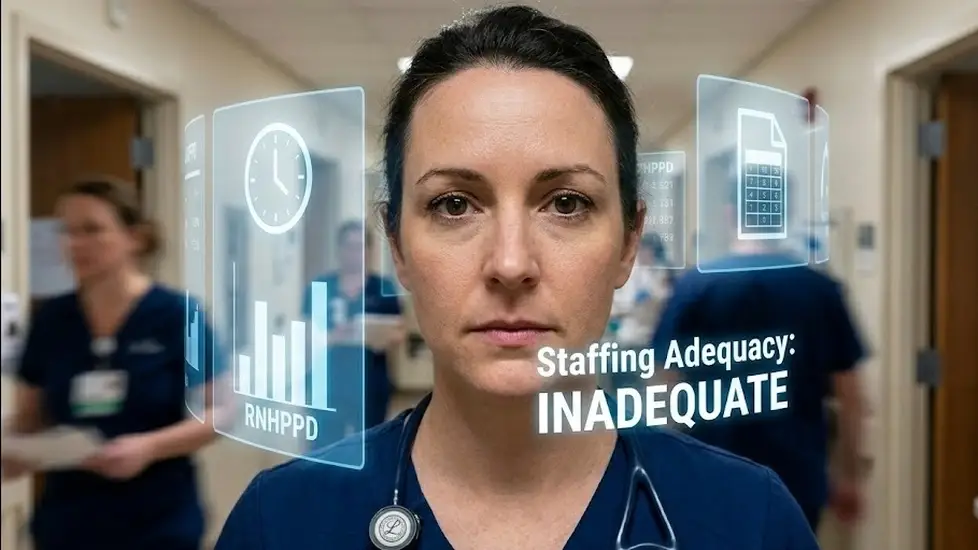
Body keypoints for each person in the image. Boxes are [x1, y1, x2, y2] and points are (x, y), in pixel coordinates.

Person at [215, 5, 818, 549]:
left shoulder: (748, 519)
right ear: (396, 243)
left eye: (567, 203)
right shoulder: (283, 522)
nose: (510, 264)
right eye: (454, 204)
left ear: (629, 243)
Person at [1, 178, 223, 550]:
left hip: (158, 522)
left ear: (134, 237)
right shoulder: (53, 320)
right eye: (67, 231)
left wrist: (148, 447)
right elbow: (30, 416)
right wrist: (13, 449)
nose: (76, 243)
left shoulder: (176, 315)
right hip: (68, 522)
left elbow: (220, 413)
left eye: (92, 229)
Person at [650, 181, 869, 532]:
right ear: (785, 216)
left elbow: (663, 386)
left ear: (730, 214)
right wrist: (850, 475)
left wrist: (661, 467)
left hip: (712, 471)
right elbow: (851, 396)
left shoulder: (696, 287)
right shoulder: (819, 290)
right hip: (798, 476)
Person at [302, 220, 405, 431]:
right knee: (325, 446)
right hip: (328, 383)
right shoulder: (321, 286)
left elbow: (399, 332)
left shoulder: (383, 288)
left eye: (359, 247)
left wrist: (377, 336)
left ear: (368, 251)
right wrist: (334, 337)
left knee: (370, 445)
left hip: (370, 382)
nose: (354, 253)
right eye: (348, 246)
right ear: (339, 250)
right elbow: (306, 333)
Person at [607, 233, 673, 390]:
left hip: (651, 337)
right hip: (630, 336)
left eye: (647, 251)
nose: (644, 255)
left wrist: (652, 298)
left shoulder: (662, 272)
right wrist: (632, 304)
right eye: (642, 251)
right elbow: (619, 304)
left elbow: (665, 300)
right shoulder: (632, 272)